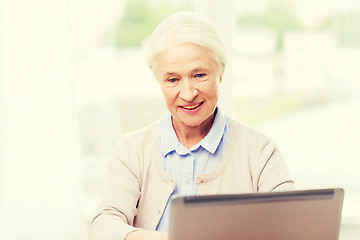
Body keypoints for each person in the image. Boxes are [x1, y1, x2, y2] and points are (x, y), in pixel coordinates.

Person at [89, 11, 294, 240]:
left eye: (199, 75)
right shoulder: (132, 150)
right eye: (173, 79)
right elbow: (103, 227)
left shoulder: (260, 151)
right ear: (158, 79)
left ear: (221, 70)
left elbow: (294, 225)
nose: (187, 94)